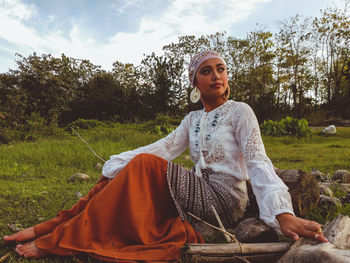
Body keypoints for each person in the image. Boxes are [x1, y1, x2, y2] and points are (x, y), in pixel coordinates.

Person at [3, 50, 327, 261]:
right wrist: (116, 163)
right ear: (194, 82)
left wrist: (281, 213)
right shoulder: (192, 119)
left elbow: (258, 161)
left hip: (225, 201)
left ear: (227, 77)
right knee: (116, 174)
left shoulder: (240, 112)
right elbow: (163, 148)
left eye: (221, 69)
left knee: (142, 166)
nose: (216, 75)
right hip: (195, 196)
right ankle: (49, 226)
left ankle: (56, 239)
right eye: (206, 71)